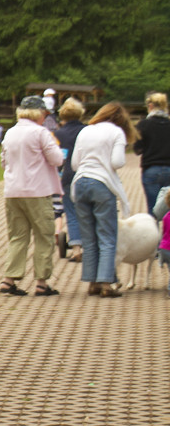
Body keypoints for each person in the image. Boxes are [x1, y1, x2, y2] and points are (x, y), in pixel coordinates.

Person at [0, 96, 64, 297]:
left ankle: (9, 279)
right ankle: (42, 282)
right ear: (38, 113)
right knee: (44, 235)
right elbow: (57, 159)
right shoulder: (40, 132)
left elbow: (3, 161)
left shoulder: (10, 133)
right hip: (37, 190)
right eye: (44, 114)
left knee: (18, 236)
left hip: (13, 191)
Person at [71, 102, 137, 298]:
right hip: (102, 183)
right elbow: (117, 162)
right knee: (107, 236)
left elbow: (75, 163)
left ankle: (92, 282)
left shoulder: (85, 131)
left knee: (89, 237)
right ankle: (106, 283)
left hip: (81, 183)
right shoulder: (116, 133)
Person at [54, 98, 87, 262]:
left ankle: (76, 248)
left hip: (67, 176)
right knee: (87, 211)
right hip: (86, 175)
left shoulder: (58, 134)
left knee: (71, 212)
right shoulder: (88, 131)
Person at [133, 92, 170, 215]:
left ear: (150, 106)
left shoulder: (143, 125)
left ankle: (154, 233)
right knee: (168, 209)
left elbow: (137, 149)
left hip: (151, 169)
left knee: (152, 210)